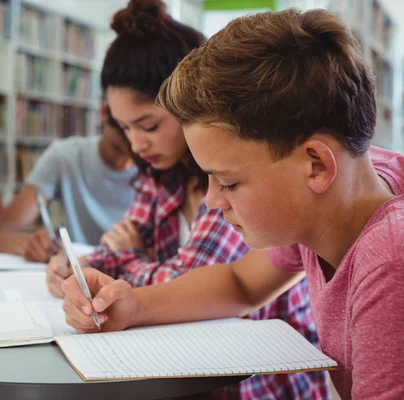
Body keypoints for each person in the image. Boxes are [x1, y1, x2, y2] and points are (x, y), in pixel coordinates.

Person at [61, 8, 404, 400]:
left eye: (228, 181)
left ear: (316, 165)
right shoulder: (344, 192)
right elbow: (241, 284)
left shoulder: (390, 259)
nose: (211, 198)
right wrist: (133, 305)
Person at [0, 103, 136, 262]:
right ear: (105, 112)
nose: (136, 138)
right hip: (71, 274)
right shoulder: (66, 156)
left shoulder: (158, 172)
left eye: (150, 127)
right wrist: (29, 244)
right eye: (125, 126)